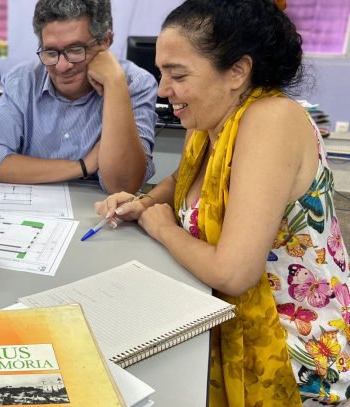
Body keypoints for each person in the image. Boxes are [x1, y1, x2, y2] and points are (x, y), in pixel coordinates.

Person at [95, 0, 350, 404]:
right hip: (225, 315)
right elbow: (184, 181)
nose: (163, 90)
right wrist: (143, 201)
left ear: (237, 71)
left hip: (291, 350)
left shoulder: (271, 120)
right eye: (162, 72)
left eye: (177, 75)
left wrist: (160, 227)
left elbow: (232, 274)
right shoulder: (211, 120)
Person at [0, 0, 157, 193]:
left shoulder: (135, 83)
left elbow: (123, 186)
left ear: (105, 41)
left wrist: (115, 84)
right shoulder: (24, 80)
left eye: (76, 50)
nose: (62, 66)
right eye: (51, 52)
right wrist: (83, 166)